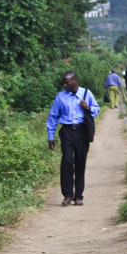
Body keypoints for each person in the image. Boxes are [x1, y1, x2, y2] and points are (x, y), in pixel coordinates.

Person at [47, 71, 100, 206]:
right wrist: (50, 136)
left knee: (80, 162)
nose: (65, 85)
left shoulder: (86, 93)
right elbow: (53, 116)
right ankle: (67, 195)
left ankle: (78, 196)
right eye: (64, 82)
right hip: (67, 131)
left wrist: (87, 108)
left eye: (68, 82)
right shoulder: (61, 97)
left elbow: (96, 108)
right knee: (67, 162)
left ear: (75, 80)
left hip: (81, 131)